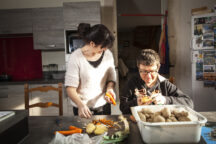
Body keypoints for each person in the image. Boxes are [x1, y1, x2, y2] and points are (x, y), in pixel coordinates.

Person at [65, 23, 116, 118]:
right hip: (83, 109)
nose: (105, 50)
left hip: (103, 107)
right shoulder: (76, 57)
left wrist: (109, 89)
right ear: (92, 44)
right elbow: (70, 88)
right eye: (102, 48)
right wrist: (80, 105)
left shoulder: (108, 54)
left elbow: (111, 78)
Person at [120, 49, 193, 114]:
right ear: (139, 68)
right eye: (144, 71)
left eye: (152, 71)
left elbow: (189, 103)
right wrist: (136, 103)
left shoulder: (164, 84)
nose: (148, 77)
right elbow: (123, 108)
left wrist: (165, 100)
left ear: (158, 68)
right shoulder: (132, 83)